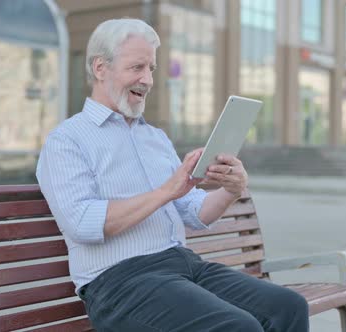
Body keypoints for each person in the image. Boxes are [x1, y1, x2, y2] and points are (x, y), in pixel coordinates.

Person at [36, 18, 308, 332]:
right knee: (238, 327)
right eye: (137, 67)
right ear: (100, 68)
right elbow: (82, 222)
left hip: (184, 267)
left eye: (151, 68)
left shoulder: (155, 138)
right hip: (119, 284)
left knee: (287, 307)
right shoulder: (67, 140)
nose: (148, 80)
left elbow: (195, 213)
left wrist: (232, 190)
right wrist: (166, 191)